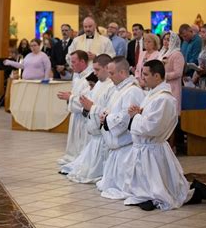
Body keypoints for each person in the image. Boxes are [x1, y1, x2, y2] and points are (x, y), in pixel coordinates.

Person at [123, 60, 206, 211]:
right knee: (150, 184)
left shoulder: (164, 99)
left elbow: (153, 127)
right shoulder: (152, 93)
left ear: (157, 76)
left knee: (164, 189)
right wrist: (139, 112)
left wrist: (136, 116)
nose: (142, 77)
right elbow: (149, 117)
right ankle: (148, 196)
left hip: (153, 147)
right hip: (146, 148)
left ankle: (197, 192)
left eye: (145, 74)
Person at [60, 54, 115, 183]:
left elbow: (106, 108)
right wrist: (83, 104)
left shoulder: (111, 86)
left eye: (97, 70)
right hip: (92, 128)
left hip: (102, 133)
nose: (94, 73)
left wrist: (89, 106)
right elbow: (87, 99)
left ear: (107, 68)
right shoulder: (99, 84)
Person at [97, 57, 145, 199]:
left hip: (127, 146)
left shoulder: (132, 91)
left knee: (122, 187)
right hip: (117, 148)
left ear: (123, 72)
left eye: (111, 73)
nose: (109, 77)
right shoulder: (120, 89)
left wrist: (107, 119)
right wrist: (104, 115)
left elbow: (126, 116)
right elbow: (113, 109)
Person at [56, 50, 93, 165]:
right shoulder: (77, 76)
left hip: (83, 115)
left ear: (82, 61)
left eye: (74, 62)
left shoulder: (90, 77)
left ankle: (79, 158)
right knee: (74, 138)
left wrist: (70, 97)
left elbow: (87, 99)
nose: (71, 65)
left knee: (81, 139)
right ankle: (72, 156)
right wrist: (71, 95)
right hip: (76, 114)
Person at [158, 32, 184, 114]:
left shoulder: (177, 54)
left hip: (172, 86)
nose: (165, 42)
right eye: (164, 39)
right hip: (161, 85)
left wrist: (163, 76)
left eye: (168, 40)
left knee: (171, 111)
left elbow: (178, 73)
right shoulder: (162, 53)